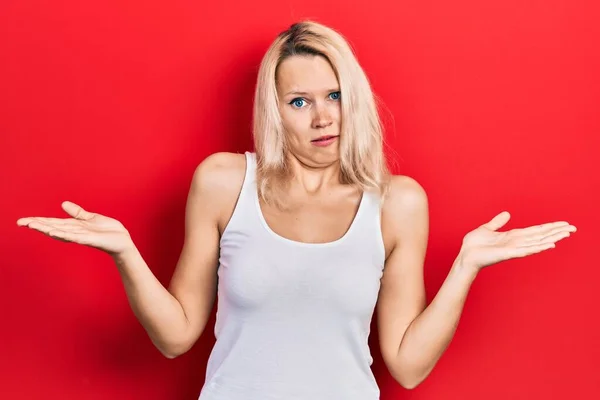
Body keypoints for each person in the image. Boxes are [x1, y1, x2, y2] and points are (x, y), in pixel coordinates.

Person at [16, 20, 576, 399]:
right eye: (300, 101)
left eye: (334, 96)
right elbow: (176, 336)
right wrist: (124, 251)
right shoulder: (222, 181)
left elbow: (406, 366)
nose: (322, 118)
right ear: (274, 109)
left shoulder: (397, 203)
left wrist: (465, 268)